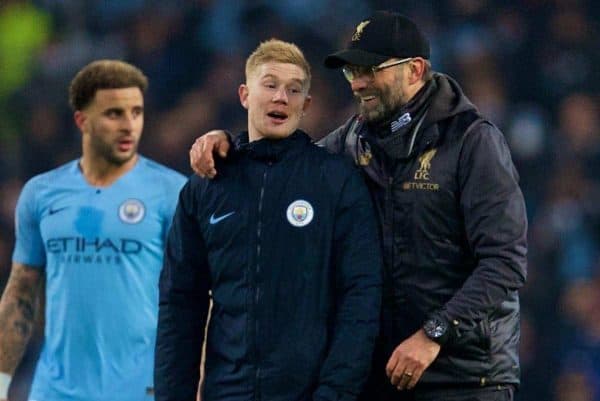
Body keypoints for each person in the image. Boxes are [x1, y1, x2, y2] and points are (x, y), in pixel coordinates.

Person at [189, 11, 528, 401]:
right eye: (352, 72)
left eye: (370, 70)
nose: (358, 83)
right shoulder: (354, 141)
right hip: (382, 375)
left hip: (466, 379)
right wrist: (231, 146)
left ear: (415, 70)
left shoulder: (472, 142)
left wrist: (434, 333)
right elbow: (289, 164)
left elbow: (504, 262)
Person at [154, 39, 382, 401]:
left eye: (294, 90)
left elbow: (361, 296)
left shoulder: (335, 181)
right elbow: (180, 304)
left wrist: (334, 393)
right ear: (244, 94)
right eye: (270, 85)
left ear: (306, 105)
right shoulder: (206, 187)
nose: (281, 97)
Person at [0, 60, 186, 401]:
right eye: (114, 114)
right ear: (82, 120)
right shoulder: (41, 193)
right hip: (54, 389)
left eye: (136, 112)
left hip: (140, 388)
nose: (129, 125)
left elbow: (197, 294)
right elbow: (20, 293)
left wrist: (196, 381)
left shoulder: (172, 192)